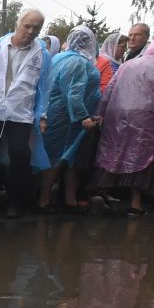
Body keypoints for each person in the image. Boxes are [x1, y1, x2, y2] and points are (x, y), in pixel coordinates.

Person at [0, 8, 52, 218]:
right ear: (18, 24)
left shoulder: (41, 54)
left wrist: (42, 114)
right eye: (27, 26)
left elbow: (45, 86)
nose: (31, 31)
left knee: (20, 155)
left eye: (36, 28)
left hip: (20, 113)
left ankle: (16, 202)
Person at [95, 34, 154, 215]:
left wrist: (100, 112)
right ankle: (135, 203)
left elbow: (110, 90)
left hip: (117, 113)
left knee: (112, 150)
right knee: (140, 156)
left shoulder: (128, 64)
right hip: (146, 117)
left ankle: (101, 191)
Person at [39, 25, 102, 213]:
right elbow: (73, 94)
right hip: (66, 118)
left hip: (64, 115)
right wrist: (84, 117)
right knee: (56, 159)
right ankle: (44, 201)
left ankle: (69, 199)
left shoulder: (60, 57)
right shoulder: (77, 62)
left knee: (70, 159)